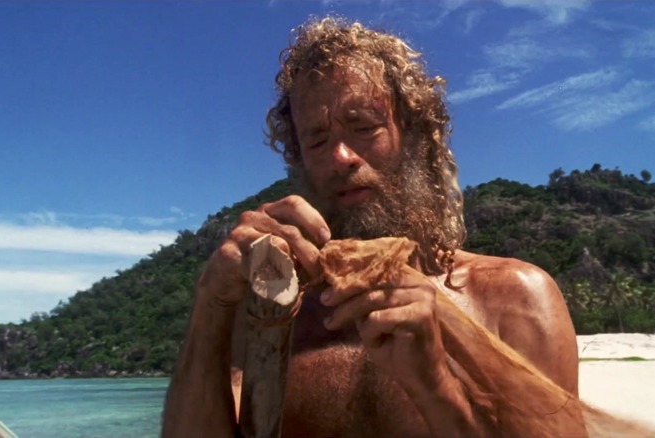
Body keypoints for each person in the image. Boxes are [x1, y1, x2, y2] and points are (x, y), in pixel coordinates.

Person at [162, 16, 582, 437]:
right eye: (317, 139)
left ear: (415, 134)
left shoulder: (514, 297)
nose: (340, 156)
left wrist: (435, 386)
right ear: (299, 158)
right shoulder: (270, 309)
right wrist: (210, 303)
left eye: (364, 127)